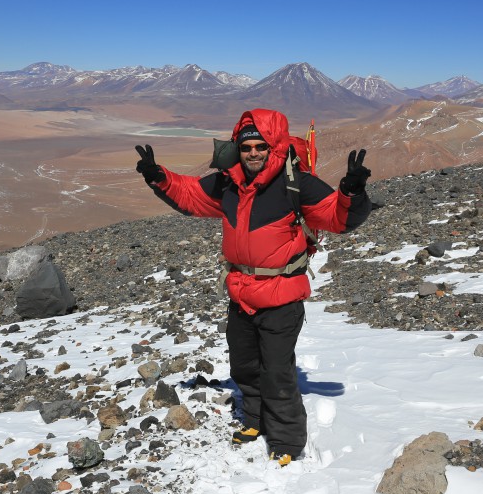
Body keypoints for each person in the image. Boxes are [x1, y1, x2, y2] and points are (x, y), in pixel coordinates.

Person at [135, 108, 371, 465]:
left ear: (274, 146)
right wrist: (159, 177)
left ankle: (288, 442)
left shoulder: (296, 184)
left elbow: (337, 216)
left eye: (261, 146)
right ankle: (255, 421)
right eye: (247, 147)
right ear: (238, 148)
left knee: (277, 372)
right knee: (244, 366)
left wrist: (352, 193)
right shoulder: (229, 182)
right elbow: (190, 195)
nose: (254, 153)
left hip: (281, 296)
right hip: (241, 294)